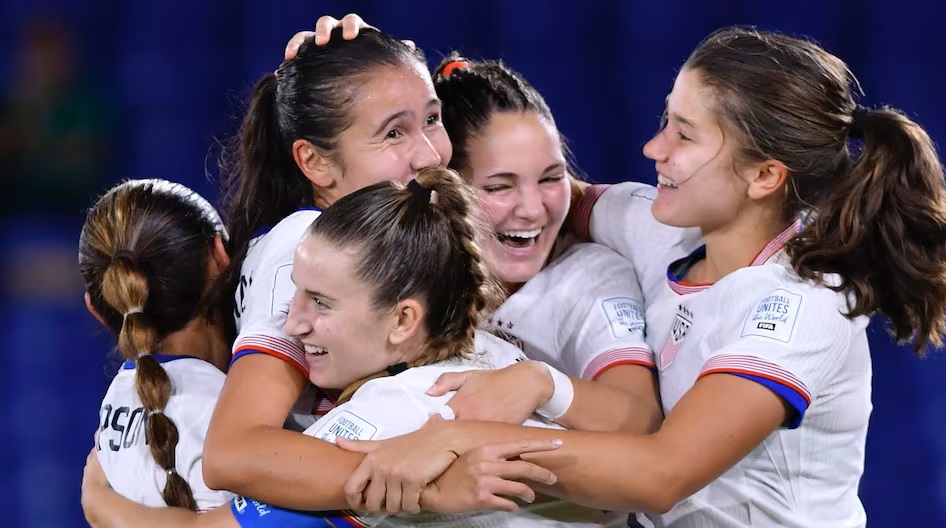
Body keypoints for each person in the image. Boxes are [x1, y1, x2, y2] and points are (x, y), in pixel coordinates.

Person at [331, 27, 946, 528]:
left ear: (764, 177)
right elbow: (518, 188)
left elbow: (662, 472)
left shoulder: (801, 308)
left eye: (684, 135)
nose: (654, 148)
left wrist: (459, 437)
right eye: (666, 120)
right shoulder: (657, 222)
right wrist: (356, 87)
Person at [82, 168, 604, 528]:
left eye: (320, 302)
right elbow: (646, 470)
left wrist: (99, 501)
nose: (293, 321)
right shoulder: (496, 357)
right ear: (223, 258)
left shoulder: (381, 419)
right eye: (297, 295)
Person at [202, 18, 453, 508]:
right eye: (393, 133)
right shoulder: (304, 244)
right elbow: (234, 453)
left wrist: (371, 64)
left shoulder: (387, 236)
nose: (429, 155)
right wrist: (439, 487)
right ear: (315, 162)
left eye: (431, 119)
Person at [425, 54, 665, 433]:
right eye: (500, 186)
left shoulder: (588, 279)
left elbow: (642, 418)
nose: (533, 209)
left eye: (550, 179)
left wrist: (544, 385)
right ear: (444, 189)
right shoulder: (407, 269)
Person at [78, 179, 234, 515]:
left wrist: (95, 500)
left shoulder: (110, 416)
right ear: (220, 257)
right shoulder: (245, 410)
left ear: (98, 309)